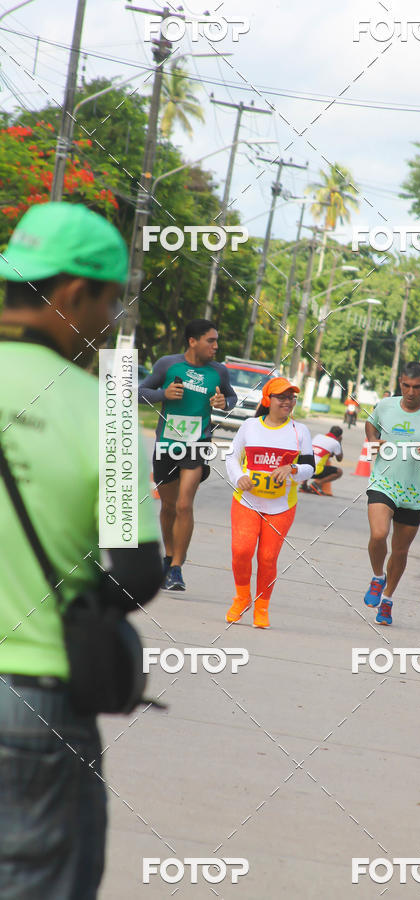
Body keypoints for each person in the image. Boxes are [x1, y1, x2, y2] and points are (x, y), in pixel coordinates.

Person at [0, 202, 162, 899]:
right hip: (37, 712)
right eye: (111, 300)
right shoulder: (105, 415)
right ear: (70, 294)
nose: (110, 321)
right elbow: (136, 572)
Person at [139, 319, 237, 591]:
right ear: (192, 341)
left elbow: (232, 398)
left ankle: (177, 568)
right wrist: (162, 394)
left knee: (184, 504)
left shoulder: (219, 372)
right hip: (167, 443)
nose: (216, 346)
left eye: (217, 340)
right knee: (168, 507)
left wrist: (223, 403)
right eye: (211, 341)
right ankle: (168, 557)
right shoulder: (167, 365)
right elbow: (139, 392)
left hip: (198, 443)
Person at [363, 361, 420, 626]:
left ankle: (388, 599)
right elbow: (372, 424)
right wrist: (373, 441)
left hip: (413, 492)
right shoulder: (385, 406)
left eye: (417, 387)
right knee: (379, 534)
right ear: (400, 382)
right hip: (383, 483)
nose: (411, 392)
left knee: (400, 551)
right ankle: (378, 578)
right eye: (406, 385)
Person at [225, 377, 315, 628]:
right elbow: (232, 457)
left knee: (267, 558)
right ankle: (242, 597)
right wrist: (240, 477)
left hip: (281, 507)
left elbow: (311, 467)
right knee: (241, 551)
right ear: (267, 400)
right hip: (247, 502)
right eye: (281, 397)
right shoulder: (250, 426)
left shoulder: (300, 431)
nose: (288, 402)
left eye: (291, 397)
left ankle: (262, 607)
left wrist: (293, 468)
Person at [300, 425, 343, 496]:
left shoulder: (318, 436)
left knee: (313, 457)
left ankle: (303, 485)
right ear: (339, 436)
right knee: (339, 472)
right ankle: (316, 484)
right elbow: (339, 459)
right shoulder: (336, 443)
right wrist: (339, 442)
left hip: (303, 468)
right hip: (314, 471)